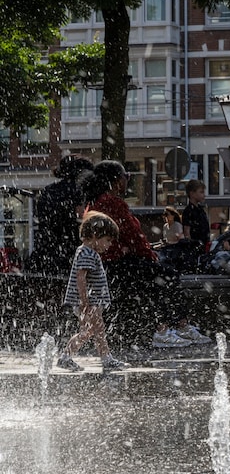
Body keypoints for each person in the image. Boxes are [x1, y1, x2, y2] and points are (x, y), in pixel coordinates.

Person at [79, 160, 209, 348]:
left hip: (107, 265)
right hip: (117, 265)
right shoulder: (113, 202)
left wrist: (129, 248)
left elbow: (118, 238)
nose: (127, 181)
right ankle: (170, 328)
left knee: (157, 276)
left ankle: (170, 328)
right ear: (116, 181)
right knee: (165, 275)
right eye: (126, 177)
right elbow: (133, 235)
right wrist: (148, 254)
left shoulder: (94, 204)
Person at [56, 211, 130, 372]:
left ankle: (71, 357)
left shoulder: (88, 252)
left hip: (92, 301)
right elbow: (80, 278)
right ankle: (99, 359)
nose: (109, 245)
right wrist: (84, 303)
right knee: (94, 330)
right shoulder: (87, 253)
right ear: (95, 236)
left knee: (93, 331)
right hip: (90, 302)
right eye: (108, 240)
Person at [27, 155, 94, 299]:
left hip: (45, 253)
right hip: (68, 253)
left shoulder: (47, 191)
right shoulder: (78, 191)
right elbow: (82, 218)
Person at [179, 179, 210, 273]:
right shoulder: (189, 211)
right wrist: (192, 245)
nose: (203, 195)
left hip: (203, 245)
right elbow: (187, 231)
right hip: (196, 248)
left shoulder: (200, 209)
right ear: (192, 194)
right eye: (201, 192)